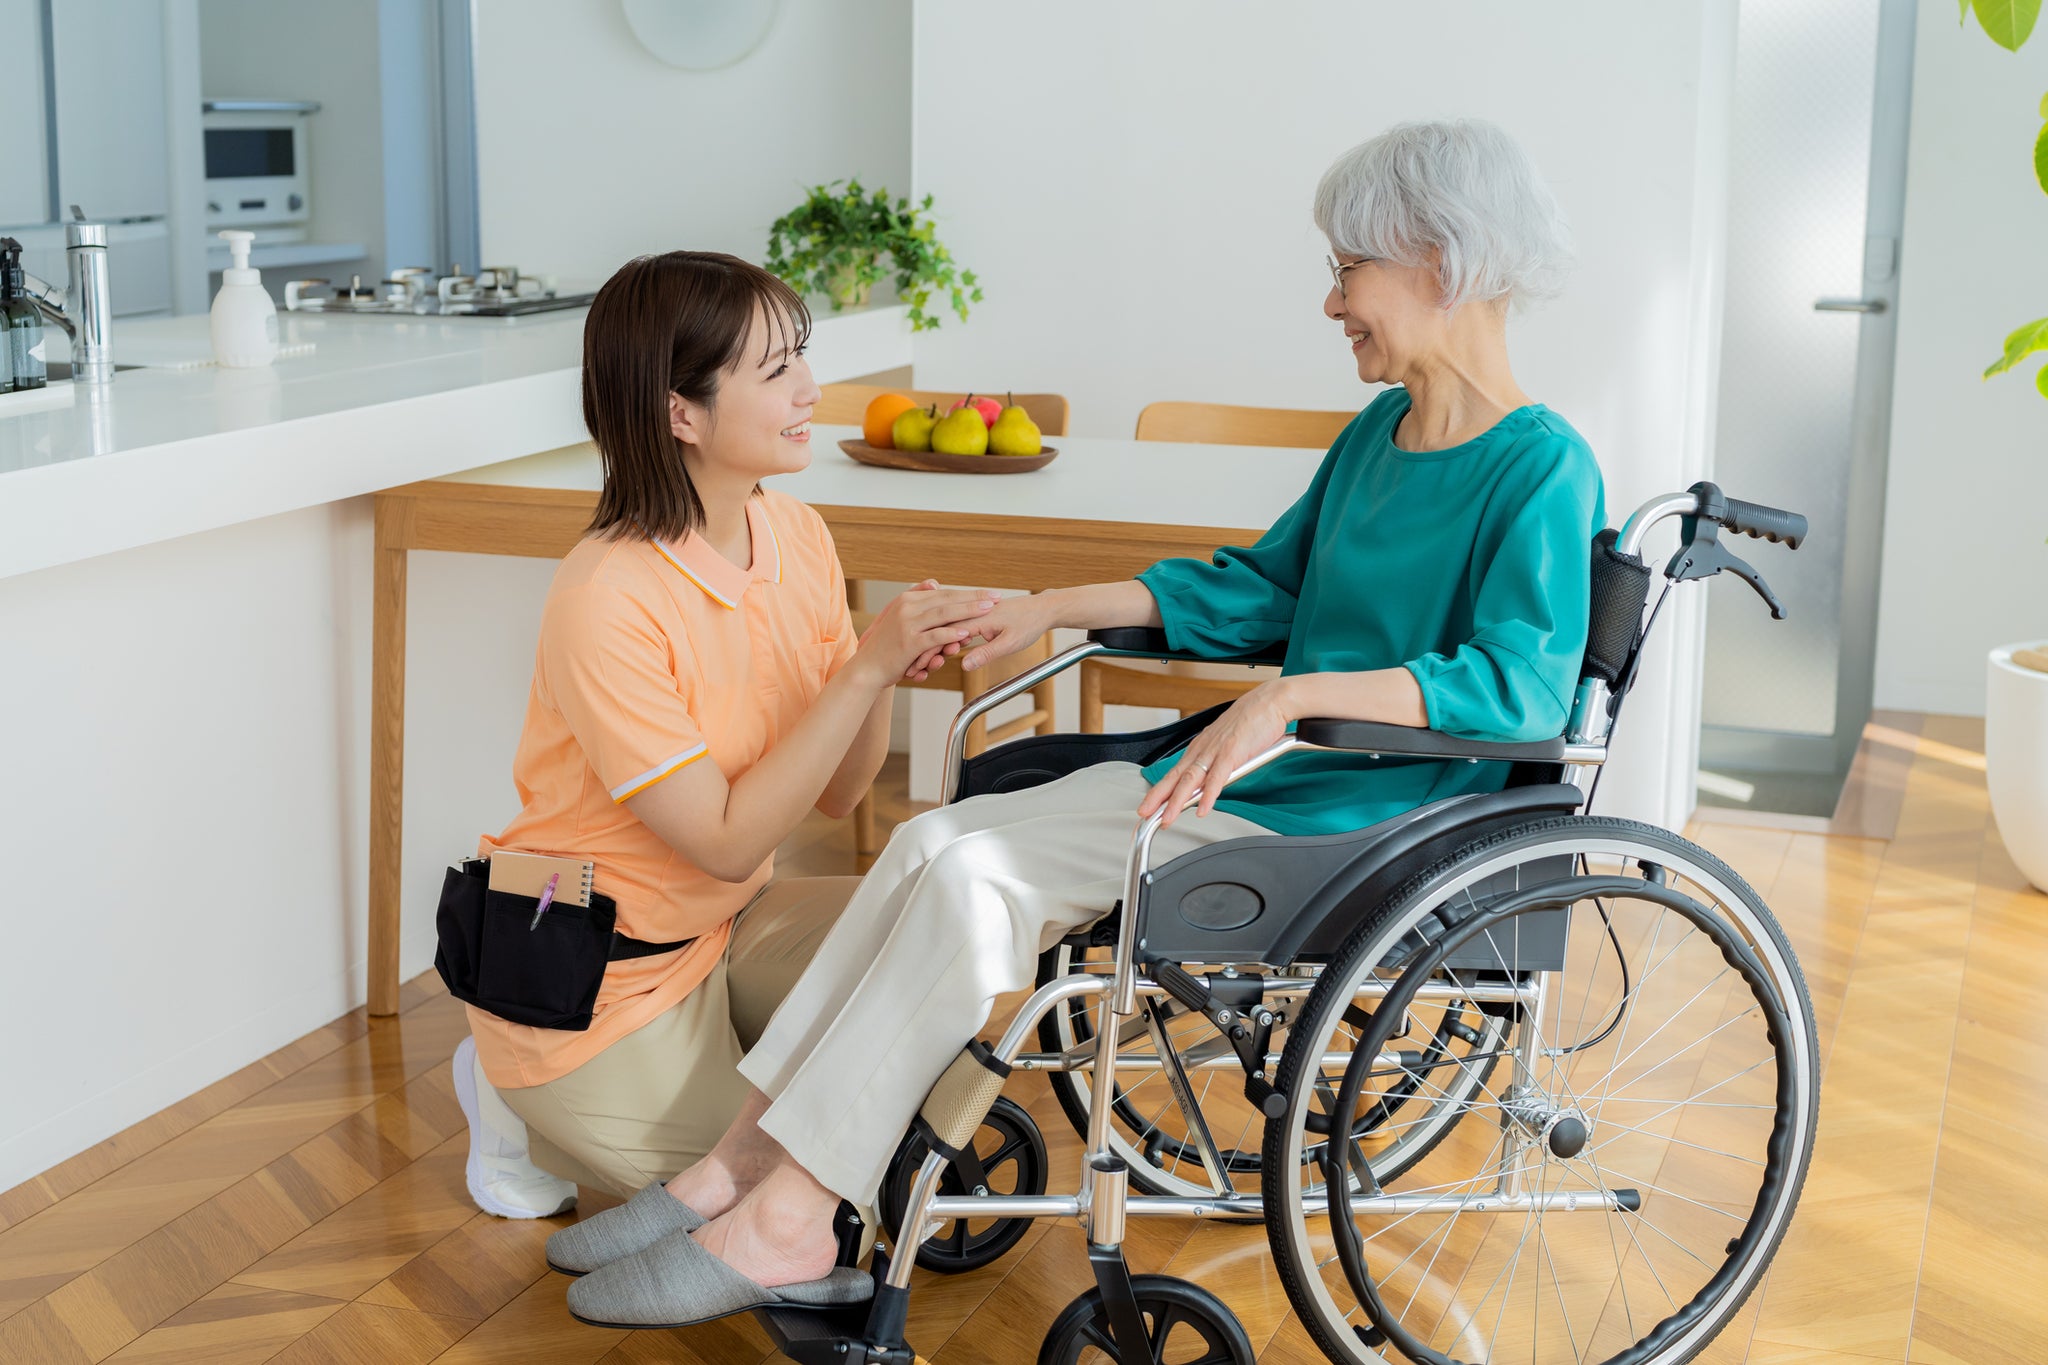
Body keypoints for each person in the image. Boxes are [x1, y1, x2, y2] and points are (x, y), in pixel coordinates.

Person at [556, 118, 1609, 1328]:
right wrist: (1041, 609)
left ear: (1436, 258)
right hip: (1242, 785)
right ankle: (734, 1167)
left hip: (1365, 820)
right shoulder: (1374, 436)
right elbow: (1261, 589)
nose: (1331, 304)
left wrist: (1291, 695)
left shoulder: (1540, 465)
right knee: (929, 842)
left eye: (1346, 270)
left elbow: (1519, 689)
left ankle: (790, 1222)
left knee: (973, 885)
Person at [449, 250, 998, 1221]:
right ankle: (509, 1083)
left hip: (724, 926)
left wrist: (876, 670)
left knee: (947, 929)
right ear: (681, 415)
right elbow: (727, 835)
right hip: (591, 975)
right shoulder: (605, 595)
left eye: (801, 357)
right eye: (774, 369)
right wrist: (866, 667)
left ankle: (738, 1069)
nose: (810, 390)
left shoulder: (799, 535)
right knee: (795, 1204)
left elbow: (837, 793)